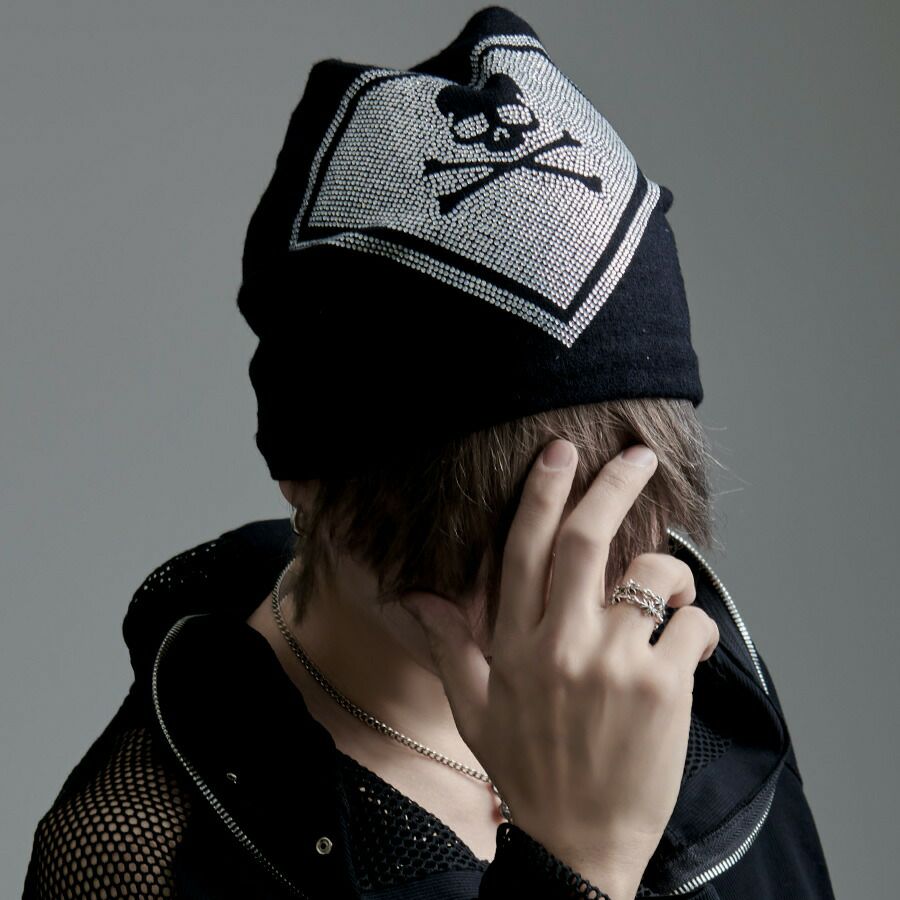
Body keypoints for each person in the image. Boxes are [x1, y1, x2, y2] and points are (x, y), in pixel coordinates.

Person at [22, 6, 836, 899]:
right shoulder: (142, 852)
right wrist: (581, 864)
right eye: (483, 534)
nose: (561, 593)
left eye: (613, 505)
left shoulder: (674, 665)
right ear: (305, 480)